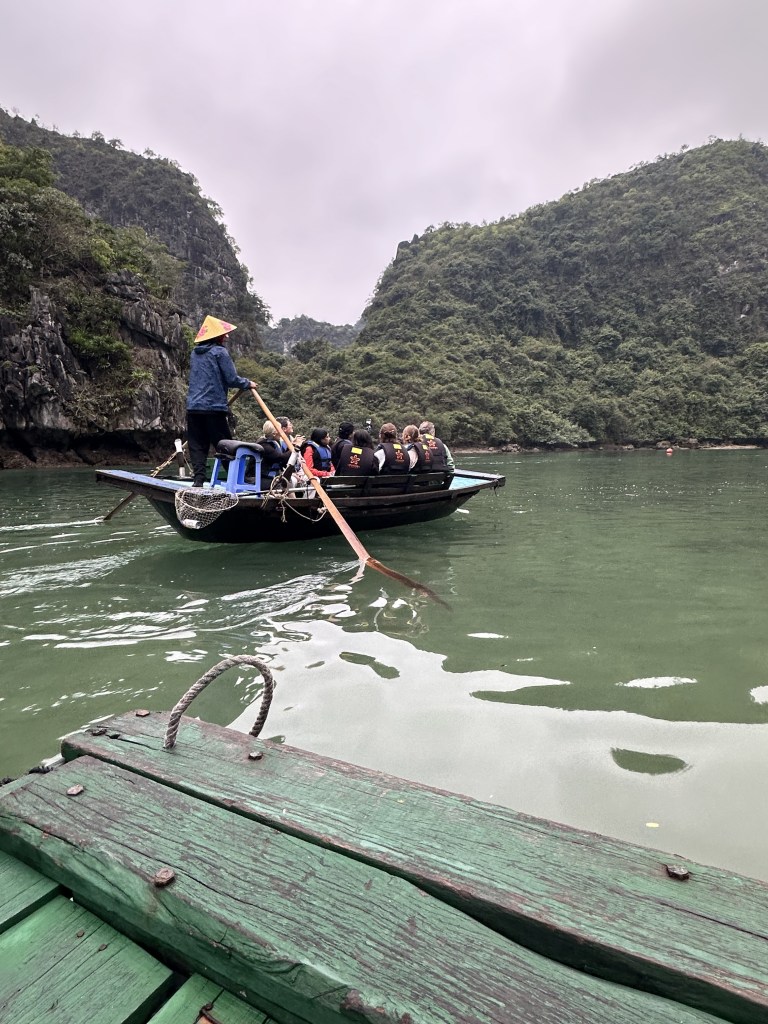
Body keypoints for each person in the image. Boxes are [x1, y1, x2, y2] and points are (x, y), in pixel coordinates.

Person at [186, 315, 256, 487]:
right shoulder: (220, 352)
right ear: (216, 336)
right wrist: (248, 383)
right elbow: (231, 378)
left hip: (194, 407)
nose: (227, 336)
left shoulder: (195, 353)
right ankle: (238, 479)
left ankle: (198, 480)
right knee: (225, 444)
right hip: (213, 407)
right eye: (224, 334)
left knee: (197, 445)